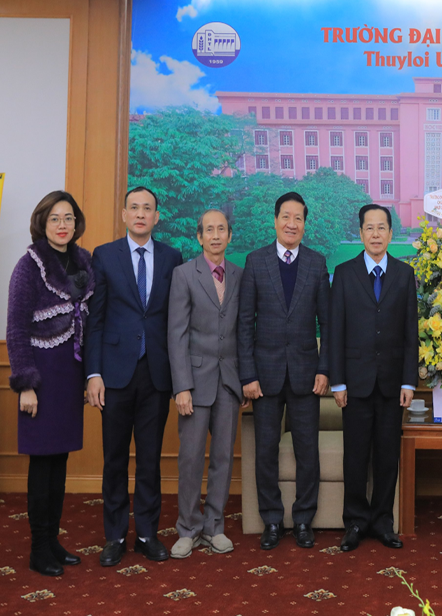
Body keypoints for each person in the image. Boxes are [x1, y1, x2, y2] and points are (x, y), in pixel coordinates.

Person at [85, 186, 183, 567]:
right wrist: (93, 373)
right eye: (134, 208)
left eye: (148, 209)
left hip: (156, 373)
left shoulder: (172, 257)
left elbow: (176, 320)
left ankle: (145, 534)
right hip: (114, 374)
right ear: (124, 214)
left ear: (157, 216)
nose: (141, 214)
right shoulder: (105, 255)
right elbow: (95, 320)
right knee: (114, 459)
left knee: (149, 459)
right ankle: (114, 536)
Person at [6, 191, 94, 577]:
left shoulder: (83, 261)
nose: (62, 225)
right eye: (55, 218)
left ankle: (53, 540)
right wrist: (25, 384)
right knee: (42, 464)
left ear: (76, 223)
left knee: (59, 462)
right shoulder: (29, 265)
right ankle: (38, 547)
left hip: (69, 377)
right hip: (40, 378)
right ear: (42, 223)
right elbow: (15, 328)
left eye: (69, 218)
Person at [237, 192, 330, 550]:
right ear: (275, 221)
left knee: (308, 450)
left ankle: (304, 519)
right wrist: (248, 375)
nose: (292, 224)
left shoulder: (316, 263)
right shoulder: (256, 261)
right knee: (266, 451)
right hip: (265, 376)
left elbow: (327, 323)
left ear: (305, 225)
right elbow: (245, 324)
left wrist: (325, 368)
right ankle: (272, 520)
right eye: (286, 217)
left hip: (307, 374)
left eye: (298, 219)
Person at [328, 204, 418, 552]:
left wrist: (409, 381)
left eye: (382, 228)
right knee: (355, 457)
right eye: (370, 228)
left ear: (391, 234)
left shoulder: (404, 274)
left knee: (386, 456)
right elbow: (335, 330)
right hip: (355, 383)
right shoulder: (344, 273)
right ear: (361, 233)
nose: (376, 234)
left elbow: (410, 332)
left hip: (393, 384)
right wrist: (338, 382)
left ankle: (382, 522)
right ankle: (354, 522)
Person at [167, 209, 244, 558]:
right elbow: (176, 334)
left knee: (223, 458)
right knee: (191, 459)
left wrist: (244, 380)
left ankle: (214, 526)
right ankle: (188, 528)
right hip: (195, 383)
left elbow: (243, 331)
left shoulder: (239, 275)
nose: (215, 235)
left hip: (229, 382)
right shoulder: (184, 274)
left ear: (229, 235)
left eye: (221, 229)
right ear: (199, 237)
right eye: (209, 230)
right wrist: (181, 386)